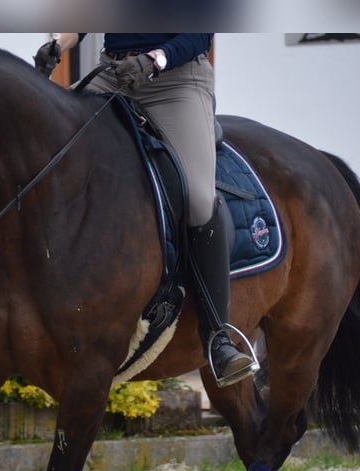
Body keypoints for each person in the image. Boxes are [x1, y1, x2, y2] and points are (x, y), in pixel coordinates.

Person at [35, 33, 257, 387]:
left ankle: (218, 335)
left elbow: (199, 34)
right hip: (114, 75)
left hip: (176, 82)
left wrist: (155, 60)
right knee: (45, 146)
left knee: (199, 199)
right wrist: (59, 45)